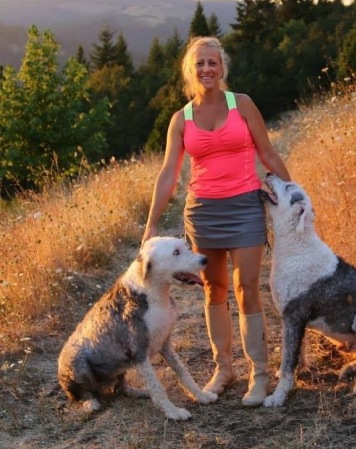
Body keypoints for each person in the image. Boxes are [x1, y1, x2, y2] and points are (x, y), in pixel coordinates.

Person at [141, 36, 291, 407]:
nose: (206, 69)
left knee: (248, 289)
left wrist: (292, 199)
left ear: (222, 67)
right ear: (190, 72)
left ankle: (259, 374)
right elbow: (167, 175)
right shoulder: (181, 119)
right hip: (203, 212)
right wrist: (151, 224)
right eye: (199, 64)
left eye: (213, 62)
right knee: (214, 289)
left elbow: (268, 153)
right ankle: (224, 369)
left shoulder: (242, 105)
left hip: (244, 207)